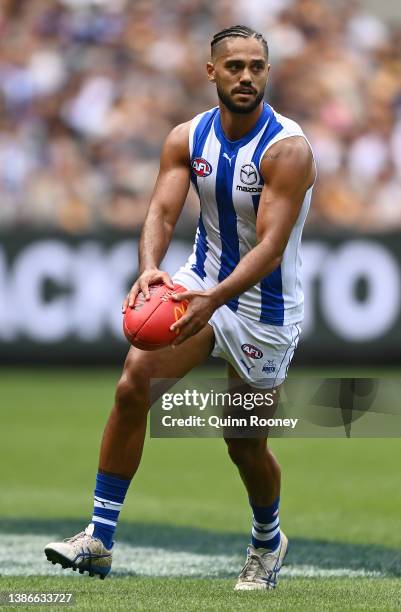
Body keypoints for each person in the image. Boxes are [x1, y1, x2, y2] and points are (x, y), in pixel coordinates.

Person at [44, 25, 316, 591]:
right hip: (200, 282)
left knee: (242, 442)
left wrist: (216, 299)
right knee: (132, 384)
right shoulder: (186, 138)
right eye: (235, 66)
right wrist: (150, 267)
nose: (247, 76)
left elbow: (268, 248)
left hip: (263, 308)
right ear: (210, 72)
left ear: (268, 72)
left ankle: (268, 539)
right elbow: (162, 213)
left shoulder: (287, 149)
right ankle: (99, 537)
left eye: (257, 66)